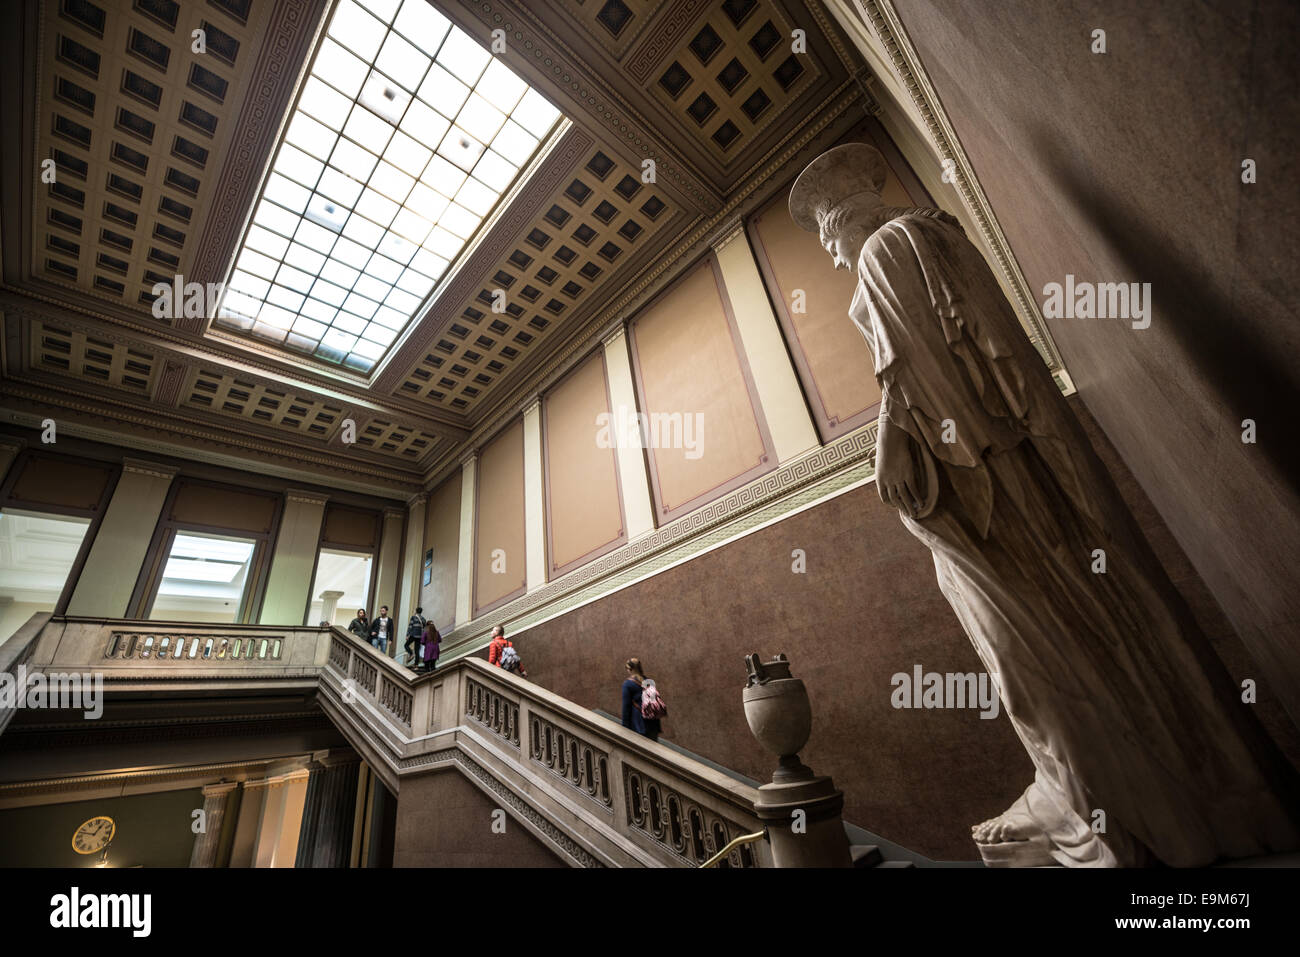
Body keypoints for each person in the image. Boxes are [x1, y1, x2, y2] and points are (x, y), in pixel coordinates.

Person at [789, 141, 1300, 867]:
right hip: (1013, 467)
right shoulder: (929, 234)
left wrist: (889, 446)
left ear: (846, 218)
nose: (835, 257)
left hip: (990, 479)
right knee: (1045, 630)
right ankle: (1112, 790)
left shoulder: (886, 246)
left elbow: (910, 365)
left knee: (1016, 643)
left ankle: (1099, 800)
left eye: (827, 239)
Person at [621, 658, 662, 742]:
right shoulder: (649, 682)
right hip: (653, 723)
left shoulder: (628, 684)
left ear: (630, 669)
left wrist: (625, 727)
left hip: (638, 724)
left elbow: (626, 707)